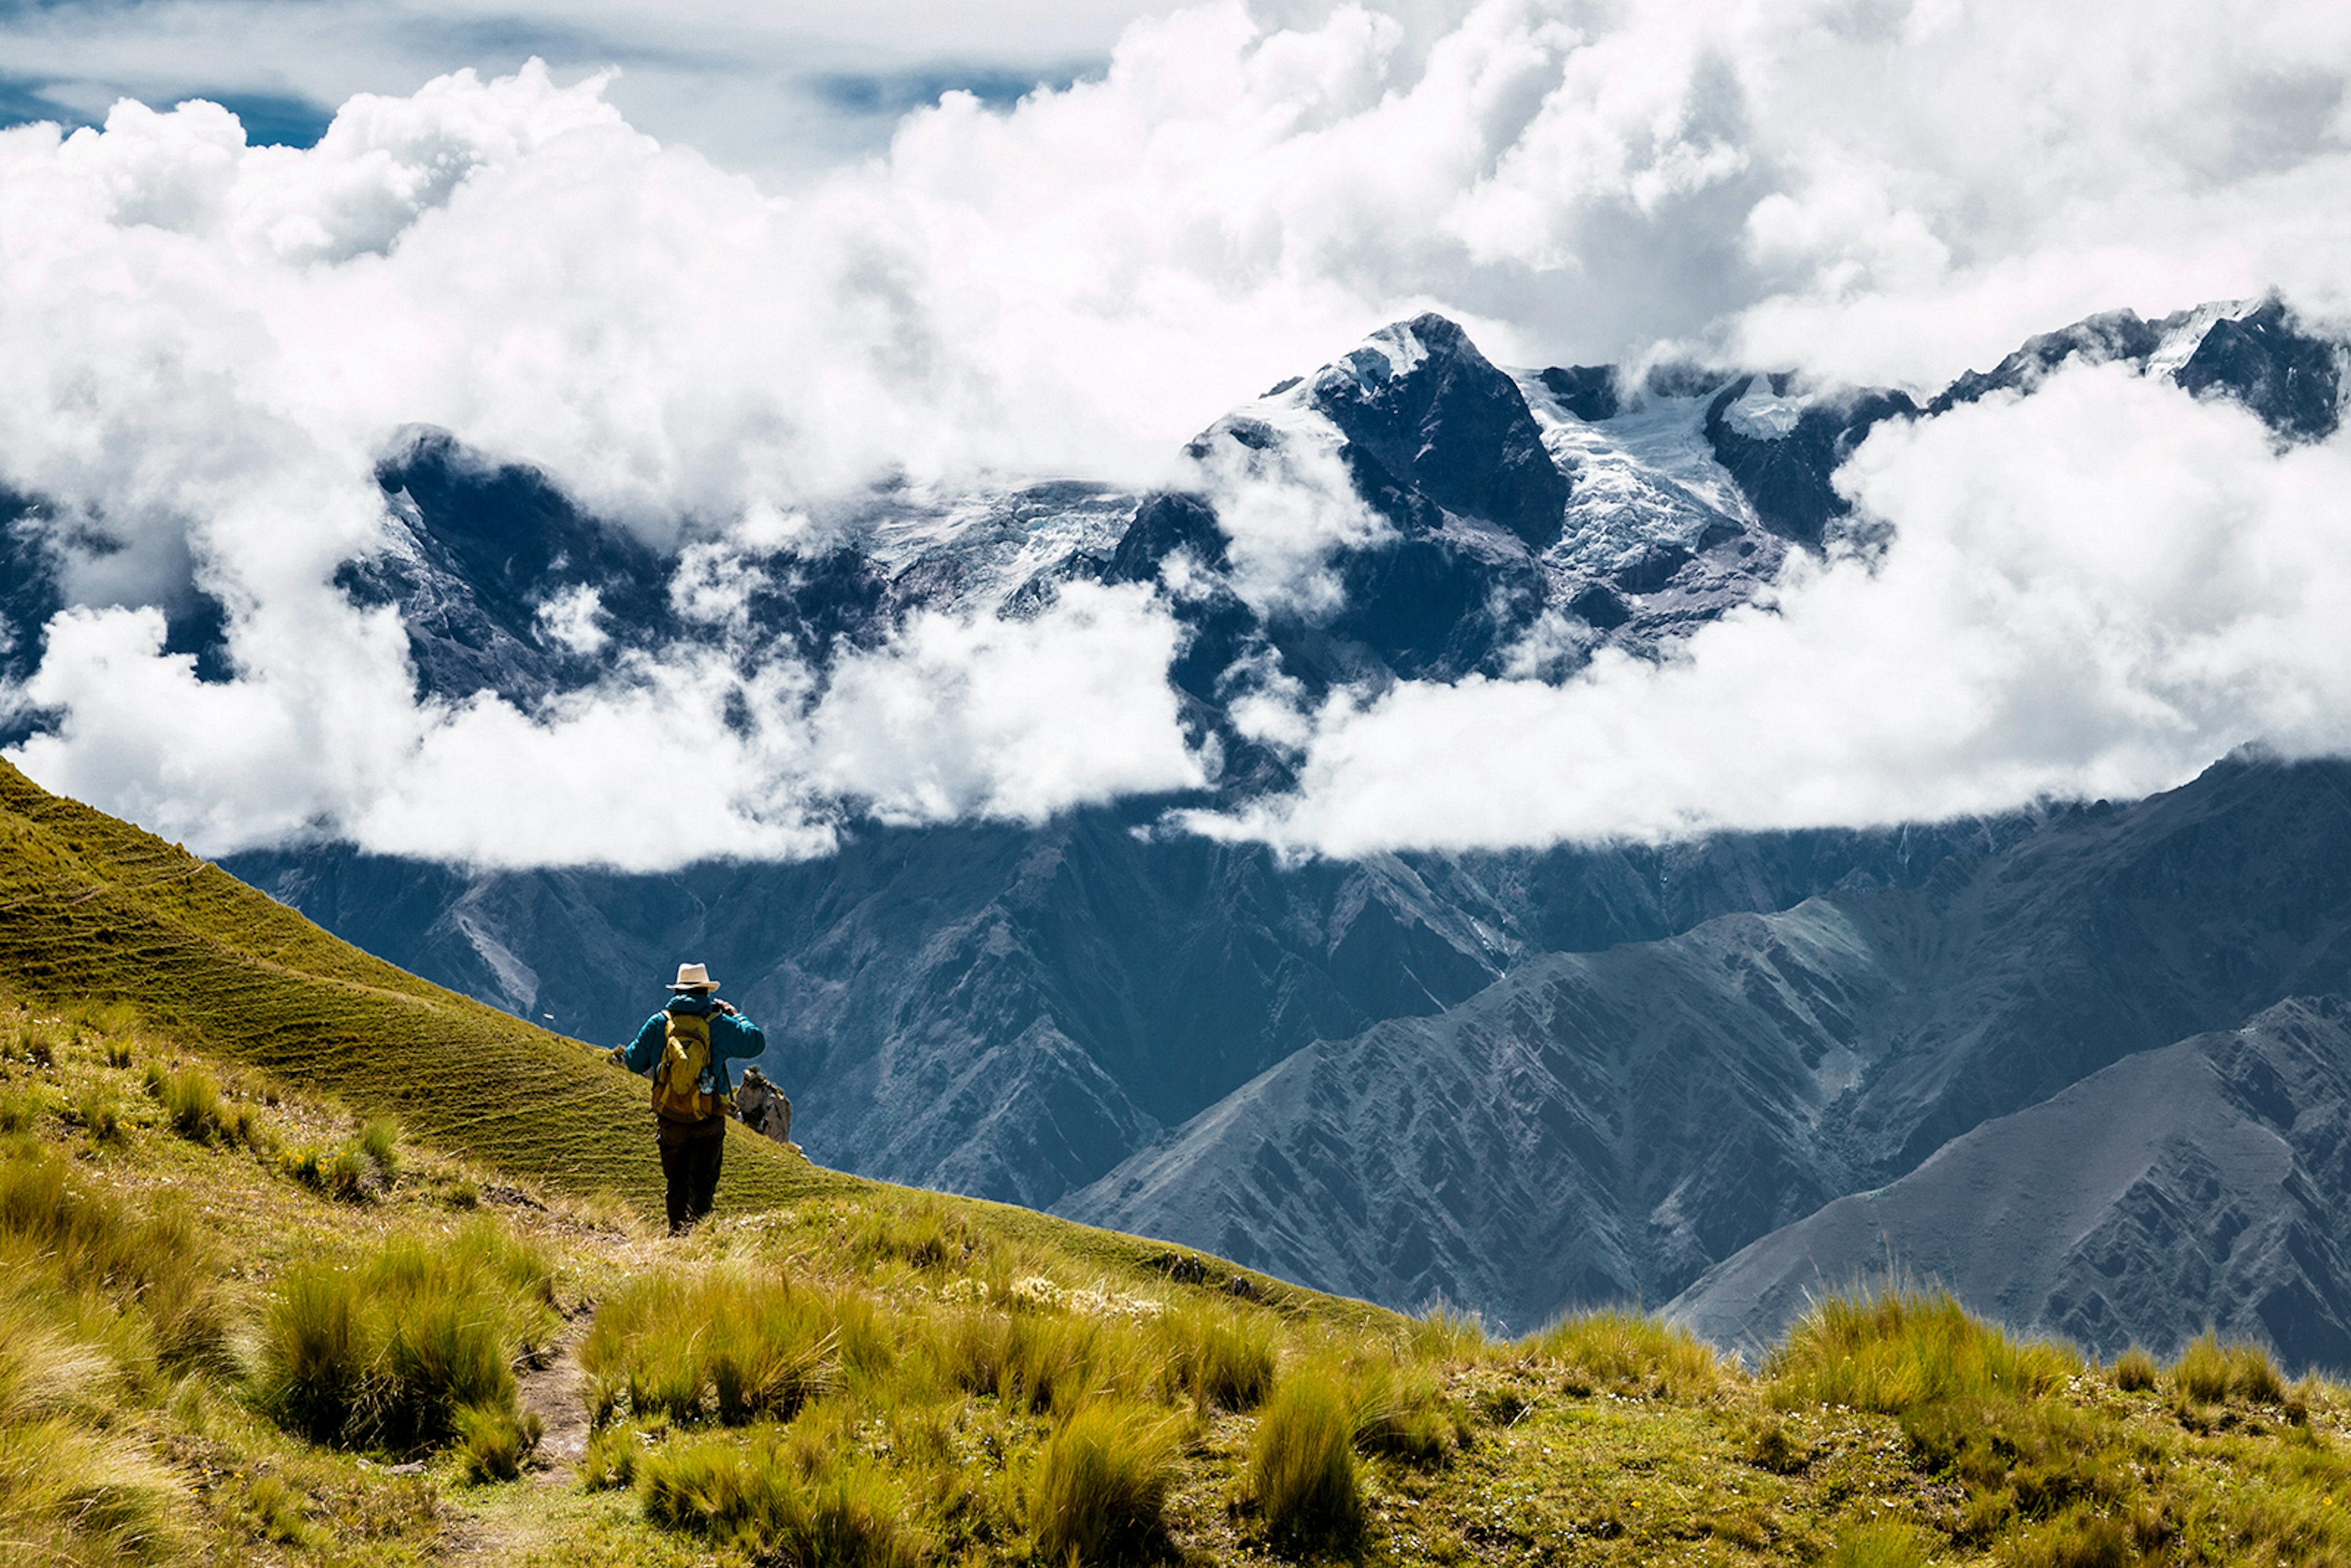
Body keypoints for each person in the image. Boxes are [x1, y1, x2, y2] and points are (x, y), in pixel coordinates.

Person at [612, 962, 766, 1234]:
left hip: (670, 1117)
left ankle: (676, 1234)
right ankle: (697, 1240)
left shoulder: (660, 1022)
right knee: (703, 1183)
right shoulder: (719, 1025)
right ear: (706, 993)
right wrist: (735, 1015)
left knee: (676, 1182)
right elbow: (756, 1042)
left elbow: (634, 1062)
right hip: (708, 1118)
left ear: (678, 991)